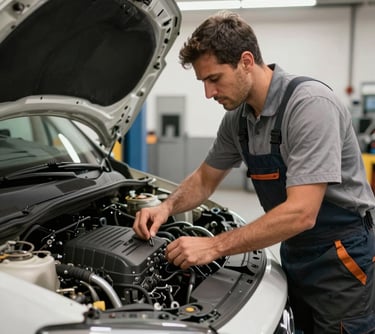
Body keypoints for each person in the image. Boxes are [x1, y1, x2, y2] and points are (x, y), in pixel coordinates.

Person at [133, 11, 375, 333]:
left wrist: (213, 246)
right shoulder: (238, 120)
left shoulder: (309, 106)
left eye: (214, 79)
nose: (208, 93)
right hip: (295, 250)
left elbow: (302, 213)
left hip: (342, 257)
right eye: (203, 81)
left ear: (246, 61)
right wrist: (165, 207)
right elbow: (205, 180)